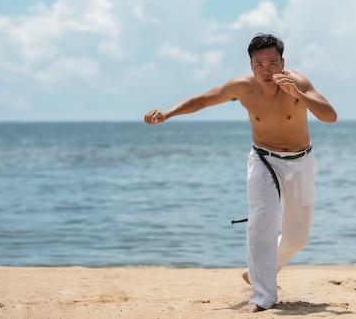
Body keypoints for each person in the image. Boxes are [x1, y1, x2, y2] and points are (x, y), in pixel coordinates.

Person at [144, 33, 337, 313]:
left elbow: (330, 116)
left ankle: (261, 269)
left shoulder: (298, 83)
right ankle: (262, 296)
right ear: (250, 65)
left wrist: (300, 95)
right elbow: (204, 99)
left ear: (283, 62)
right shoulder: (243, 88)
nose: (266, 70)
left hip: (301, 162)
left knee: (297, 238)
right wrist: (167, 113)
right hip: (263, 159)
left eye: (272, 63)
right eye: (259, 64)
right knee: (262, 220)